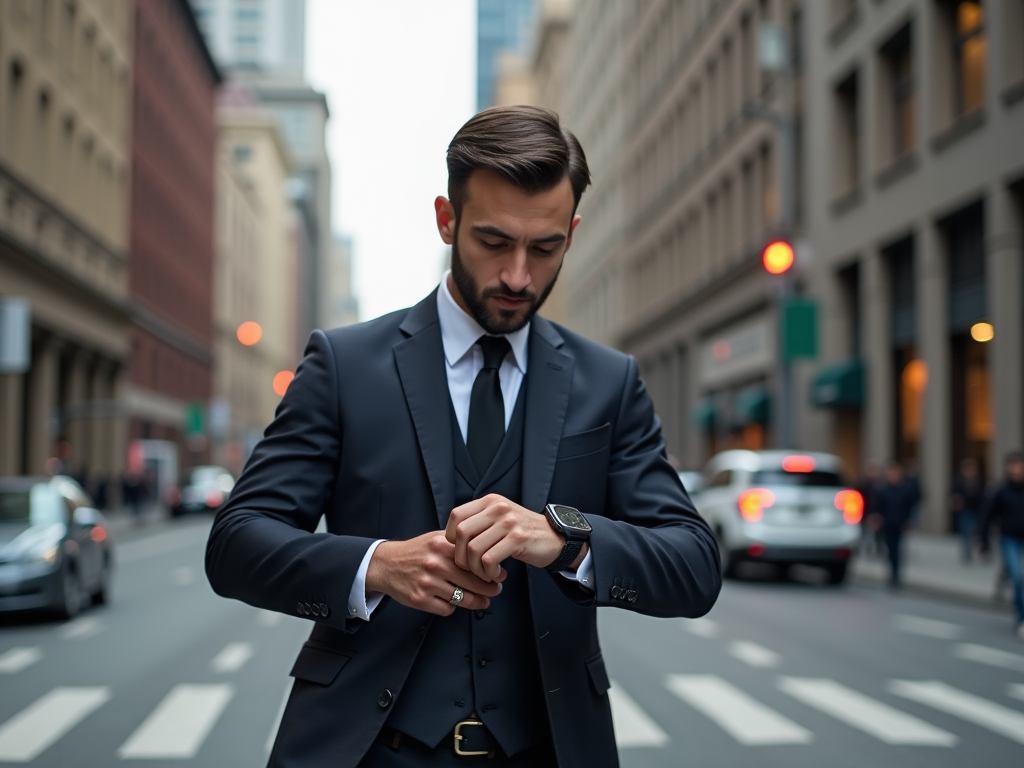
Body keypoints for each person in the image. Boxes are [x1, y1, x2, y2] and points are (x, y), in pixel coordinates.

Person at [205, 106, 722, 768]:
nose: (517, 277)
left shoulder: (609, 382)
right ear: (446, 219)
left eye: (545, 248)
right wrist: (375, 567)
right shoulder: (345, 365)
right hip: (368, 752)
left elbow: (693, 566)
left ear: (573, 231)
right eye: (493, 241)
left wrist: (566, 540)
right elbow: (236, 542)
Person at [979, 451, 1024, 639]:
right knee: (1018, 577)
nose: (1016, 470)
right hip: (1009, 538)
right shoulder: (1001, 490)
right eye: (1012, 466)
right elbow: (987, 516)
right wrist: (984, 542)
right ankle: (1021, 618)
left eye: (1019, 465)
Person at [870, 460, 920, 588]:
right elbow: (878, 507)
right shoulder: (883, 490)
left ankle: (896, 575)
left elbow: (909, 507)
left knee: (897, 550)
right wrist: (876, 519)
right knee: (890, 549)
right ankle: (892, 573)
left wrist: (909, 522)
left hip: (899, 524)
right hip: (887, 524)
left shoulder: (905, 489)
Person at [950, 458, 984, 563]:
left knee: (977, 532)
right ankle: (967, 554)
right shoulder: (959, 480)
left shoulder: (979, 480)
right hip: (965, 510)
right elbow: (954, 493)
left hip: (976, 509)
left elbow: (983, 494)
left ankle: (978, 551)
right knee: (966, 532)